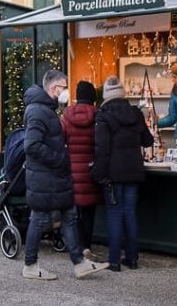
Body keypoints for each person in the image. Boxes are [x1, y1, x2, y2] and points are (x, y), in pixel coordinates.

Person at [20, 69, 108, 280]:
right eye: (63, 88)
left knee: (69, 215)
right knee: (39, 218)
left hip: (54, 177)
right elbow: (31, 145)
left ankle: (79, 262)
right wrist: (59, 159)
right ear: (53, 88)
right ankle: (30, 265)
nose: (65, 92)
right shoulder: (38, 111)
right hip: (45, 177)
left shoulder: (46, 110)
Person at [93, 76, 154, 272]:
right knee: (130, 213)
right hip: (134, 170)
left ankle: (114, 261)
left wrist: (98, 174)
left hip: (113, 171)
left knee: (114, 214)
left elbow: (101, 148)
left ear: (106, 95)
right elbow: (148, 141)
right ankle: (132, 258)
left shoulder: (103, 115)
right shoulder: (135, 113)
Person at [60, 80, 103, 260]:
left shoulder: (65, 116)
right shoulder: (98, 116)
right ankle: (86, 245)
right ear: (93, 97)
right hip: (91, 169)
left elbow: (60, 141)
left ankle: (76, 245)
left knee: (74, 210)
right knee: (89, 211)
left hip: (72, 168)